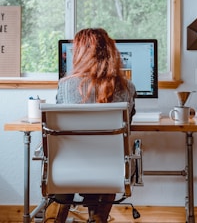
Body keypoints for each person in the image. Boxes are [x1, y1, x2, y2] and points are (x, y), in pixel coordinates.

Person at [55, 28, 136, 223]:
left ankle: (59, 215)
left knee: (64, 153)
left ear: (80, 54)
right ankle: (98, 217)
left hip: (69, 167)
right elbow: (127, 127)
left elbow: (57, 129)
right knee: (110, 158)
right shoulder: (128, 87)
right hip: (108, 170)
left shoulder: (65, 86)